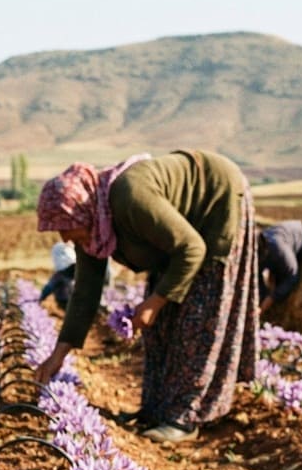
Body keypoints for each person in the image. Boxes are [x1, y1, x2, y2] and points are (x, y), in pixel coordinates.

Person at [34, 149, 259, 444]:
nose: (64, 239)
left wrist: (154, 302)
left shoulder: (130, 197)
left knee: (197, 320)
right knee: (160, 326)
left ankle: (183, 418)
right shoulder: (93, 225)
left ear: (81, 209)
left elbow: (192, 249)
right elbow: (85, 292)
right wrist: (57, 356)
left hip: (217, 207)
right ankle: (156, 410)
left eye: (65, 226)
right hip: (178, 243)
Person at [39, 241, 77, 309]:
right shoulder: (61, 275)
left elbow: (48, 287)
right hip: (65, 301)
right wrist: (42, 298)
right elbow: (49, 288)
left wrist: (42, 297)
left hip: (72, 300)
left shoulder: (62, 274)